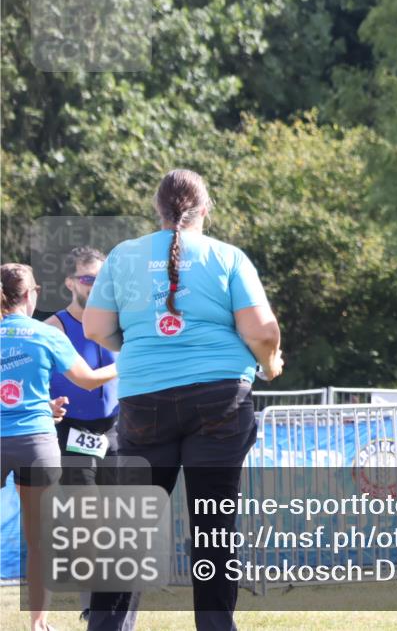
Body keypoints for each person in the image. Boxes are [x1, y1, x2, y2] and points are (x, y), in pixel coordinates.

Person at [83, 169, 283, 631]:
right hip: (220, 397)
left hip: (144, 398)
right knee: (213, 527)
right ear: (206, 209)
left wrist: (143, 347)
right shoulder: (227, 256)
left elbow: (95, 329)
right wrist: (270, 365)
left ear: (157, 209)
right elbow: (263, 330)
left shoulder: (122, 256)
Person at [1, 263, 117, 631]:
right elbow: (88, 381)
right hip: (37, 441)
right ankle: (38, 623)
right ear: (32, 294)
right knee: (39, 541)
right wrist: (128, 363)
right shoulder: (45, 333)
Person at [45, 247, 121, 485]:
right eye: (88, 278)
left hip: (116, 429)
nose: (96, 285)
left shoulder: (122, 321)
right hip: (72, 430)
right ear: (70, 283)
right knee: (85, 514)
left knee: (118, 513)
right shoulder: (53, 328)